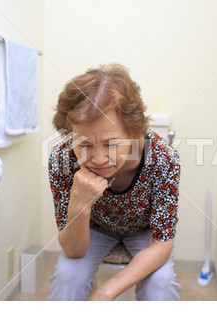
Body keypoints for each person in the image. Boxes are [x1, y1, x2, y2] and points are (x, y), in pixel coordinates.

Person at [47, 64, 181, 301]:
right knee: (68, 275)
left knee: (161, 283)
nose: (98, 159)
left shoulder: (163, 158)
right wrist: (80, 204)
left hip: (143, 232)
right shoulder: (62, 159)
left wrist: (106, 291)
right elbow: (73, 251)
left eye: (110, 144)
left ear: (133, 132)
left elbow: (161, 242)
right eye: (84, 144)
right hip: (93, 229)